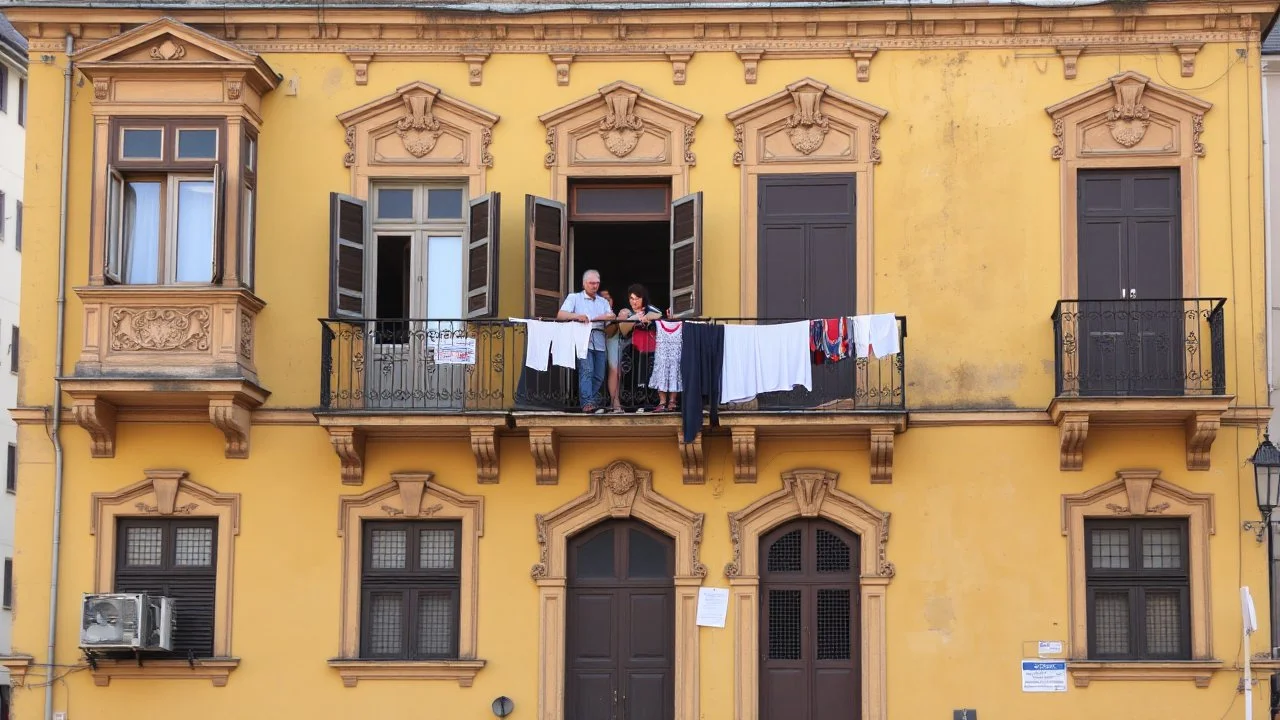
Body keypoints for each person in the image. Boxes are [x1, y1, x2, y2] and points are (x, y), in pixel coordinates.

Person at [557, 269, 615, 413]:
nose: (594, 286)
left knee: (599, 375)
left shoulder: (603, 302)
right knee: (587, 371)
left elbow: (608, 321)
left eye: (597, 283)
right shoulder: (574, 298)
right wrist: (577, 316)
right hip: (583, 342)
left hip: (600, 342)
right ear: (584, 284)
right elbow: (560, 315)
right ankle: (587, 404)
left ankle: (592, 402)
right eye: (591, 283)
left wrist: (612, 317)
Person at [600, 289, 624, 413]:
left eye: (608, 298)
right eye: (602, 298)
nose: (605, 301)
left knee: (615, 370)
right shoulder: (594, 313)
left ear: (612, 301)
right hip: (596, 347)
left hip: (613, 345)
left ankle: (615, 402)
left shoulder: (615, 315)